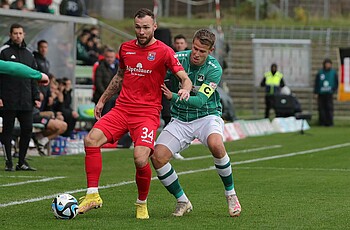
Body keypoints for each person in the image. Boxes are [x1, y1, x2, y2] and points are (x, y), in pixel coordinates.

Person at [77, 8, 192, 219]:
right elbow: (120, 77)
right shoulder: (125, 48)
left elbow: (184, 77)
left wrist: (184, 87)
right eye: (138, 27)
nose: (141, 31)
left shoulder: (165, 51)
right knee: (91, 140)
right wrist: (103, 99)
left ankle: (141, 203)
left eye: (146, 27)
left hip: (147, 113)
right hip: (122, 109)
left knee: (140, 159)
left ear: (154, 27)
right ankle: (92, 195)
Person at [151, 29, 241, 218]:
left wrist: (172, 96)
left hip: (207, 116)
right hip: (181, 119)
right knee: (158, 157)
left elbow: (200, 101)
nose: (197, 54)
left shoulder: (214, 68)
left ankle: (230, 194)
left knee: (216, 144)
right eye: (195, 48)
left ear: (211, 50)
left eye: (202, 51)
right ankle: (182, 200)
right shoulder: (178, 58)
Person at [0, 24, 41, 171]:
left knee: (27, 130)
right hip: (8, 99)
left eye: (20, 33)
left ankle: (22, 161)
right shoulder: (3, 52)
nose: (18, 36)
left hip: (25, 100)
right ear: (10, 35)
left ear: (23, 35)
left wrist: (36, 96)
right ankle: (9, 162)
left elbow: (33, 76)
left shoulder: (29, 54)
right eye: (15, 33)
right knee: (7, 131)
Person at [92, 47, 118, 115]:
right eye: (108, 57)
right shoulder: (100, 67)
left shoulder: (119, 67)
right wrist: (106, 95)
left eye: (111, 57)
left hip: (116, 96)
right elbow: (98, 83)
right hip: (102, 97)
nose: (110, 59)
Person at [314, 58, 338, 126]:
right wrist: (316, 92)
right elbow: (316, 83)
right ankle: (322, 122)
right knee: (321, 108)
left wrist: (334, 90)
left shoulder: (333, 73)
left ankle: (330, 122)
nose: (328, 65)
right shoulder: (320, 72)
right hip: (321, 93)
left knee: (329, 108)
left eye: (329, 64)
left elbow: (336, 82)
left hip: (329, 93)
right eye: (326, 64)